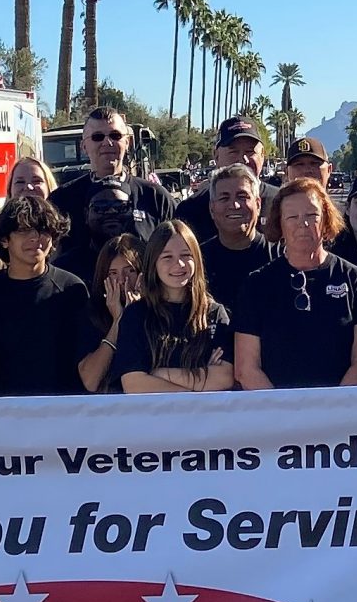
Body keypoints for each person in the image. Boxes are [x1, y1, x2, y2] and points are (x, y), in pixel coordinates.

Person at [235, 177, 357, 389]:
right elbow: (246, 369)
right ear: (279, 224)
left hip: (339, 412)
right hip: (278, 414)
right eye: (292, 217)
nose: (303, 224)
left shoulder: (355, 279)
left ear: (327, 219)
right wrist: (287, 414)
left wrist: (331, 409)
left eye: (312, 215)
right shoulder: (256, 285)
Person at [0, 195, 93, 396]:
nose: (35, 238)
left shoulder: (72, 289)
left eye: (43, 230)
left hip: (61, 412)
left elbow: (83, 361)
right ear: (5, 240)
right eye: (23, 230)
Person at [112, 223, 237, 393]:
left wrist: (160, 374)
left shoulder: (214, 314)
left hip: (205, 418)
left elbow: (224, 378)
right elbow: (133, 384)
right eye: (167, 257)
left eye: (186, 255)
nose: (178, 264)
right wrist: (200, 384)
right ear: (153, 262)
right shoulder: (136, 315)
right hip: (154, 417)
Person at [55, 107, 176, 274]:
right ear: (84, 146)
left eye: (115, 136)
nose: (107, 142)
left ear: (128, 142)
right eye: (98, 137)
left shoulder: (156, 197)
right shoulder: (62, 200)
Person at [199, 164, 279, 314]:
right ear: (212, 208)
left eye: (242, 197)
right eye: (224, 198)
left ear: (258, 204)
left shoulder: (280, 257)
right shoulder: (197, 262)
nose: (234, 205)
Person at [177, 113, 266, 240]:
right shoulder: (191, 210)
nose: (243, 159)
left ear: (262, 155)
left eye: (250, 151)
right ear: (216, 156)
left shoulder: (280, 203)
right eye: (233, 151)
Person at [78, 233, 149, 393]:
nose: (123, 280)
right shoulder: (92, 314)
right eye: (113, 273)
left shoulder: (160, 310)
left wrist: (136, 315)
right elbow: (90, 380)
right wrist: (119, 321)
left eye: (130, 271)